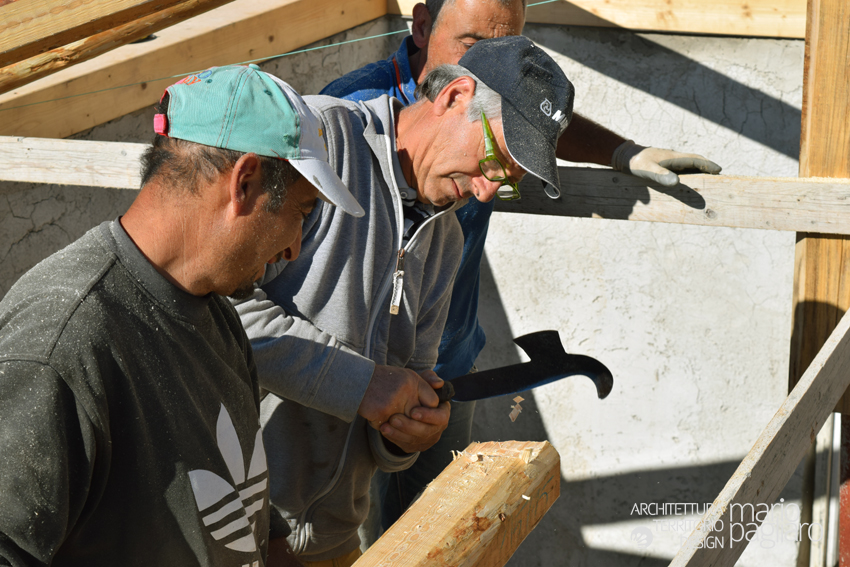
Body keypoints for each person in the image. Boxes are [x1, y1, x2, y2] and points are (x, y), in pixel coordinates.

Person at [320, 0, 723, 538]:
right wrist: (359, 381)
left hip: (441, 367)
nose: (488, 188)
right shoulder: (344, 126)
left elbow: (520, 120)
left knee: (436, 537)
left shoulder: (457, 201)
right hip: (335, 380)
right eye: (470, 44)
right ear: (421, 26)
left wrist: (621, 151)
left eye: (506, 46)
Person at [0, 64, 362, 567]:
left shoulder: (219, 316)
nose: (293, 248)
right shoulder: (60, 343)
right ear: (245, 182)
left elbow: (248, 510)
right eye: (301, 213)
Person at [233, 36, 573, 567]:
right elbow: (221, 312)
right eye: (493, 161)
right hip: (231, 525)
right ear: (455, 96)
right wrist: (362, 383)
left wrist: (407, 436)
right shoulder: (322, 142)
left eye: (507, 183)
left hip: (331, 542)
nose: (487, 191)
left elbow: (403, 391)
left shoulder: (446, 241)